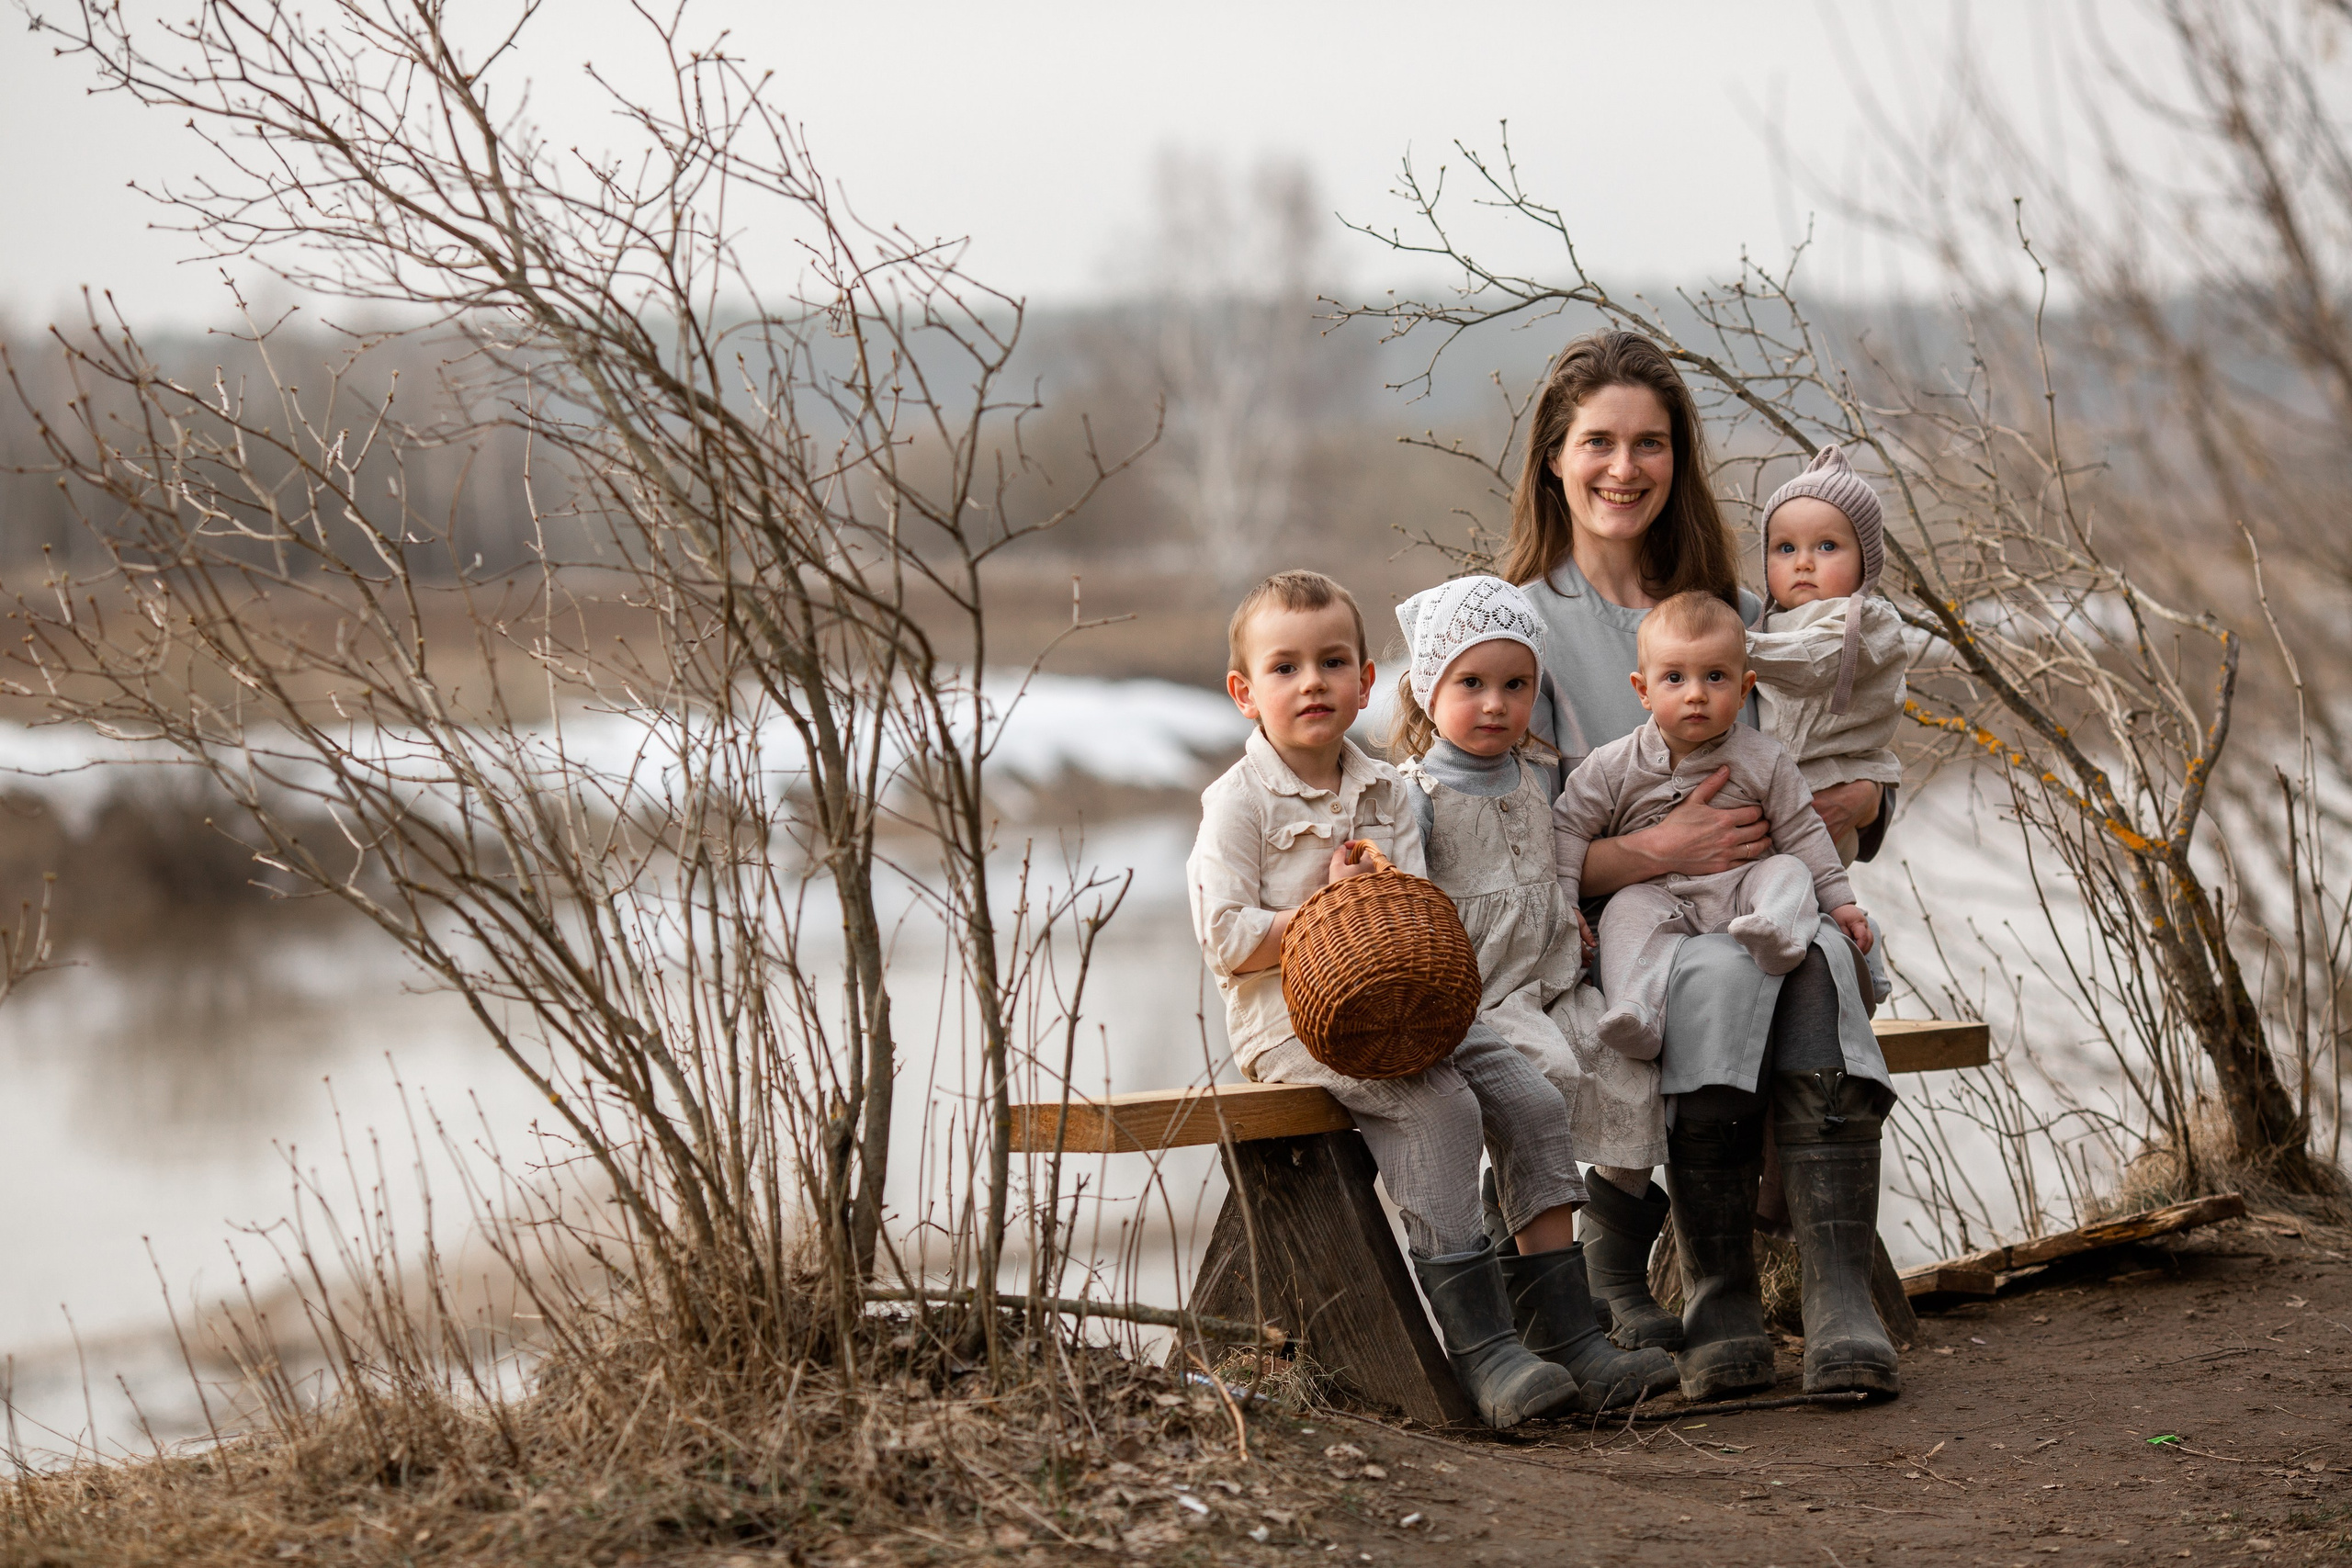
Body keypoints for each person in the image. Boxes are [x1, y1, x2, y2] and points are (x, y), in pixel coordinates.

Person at [1502, 330, 1901, 1401]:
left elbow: (1833, 758)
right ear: (1553, 456)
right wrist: (1651, 850)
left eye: (1649, 444)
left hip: (1758, 906)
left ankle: (1831, 1303)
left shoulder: (1740, 611)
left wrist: (1860, 801)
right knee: (1748, 968)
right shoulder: (1520, 626)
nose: (1622, 468)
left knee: (1810, 953)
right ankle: (1722, 1285)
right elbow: (1509, 842)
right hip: (1610, 938)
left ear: (1678, 460)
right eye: (1596, 442)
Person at [1188, 570, 1620, 1425]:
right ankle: (1482, 1350)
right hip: (1297, 1026)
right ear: (1245, 692)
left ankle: (1564, 1331)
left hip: (1409, 1004)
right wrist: (1324, 909)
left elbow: (1419, 911)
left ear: (1365, 683)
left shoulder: (1389, 788)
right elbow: (1226, 937)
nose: (1311, 681)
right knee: (1440, 1110)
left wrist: (1386, 895)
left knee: (1530, 1099)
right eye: (1285, 667)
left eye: (1332, 661)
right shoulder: (1237, 804)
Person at [1385, 571, 1679, 1408]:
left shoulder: (1536, 775)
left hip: (1550, 978)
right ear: (1428, 689)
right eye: (1470, 684)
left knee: (1631, 1066)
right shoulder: (1419, 795)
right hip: (1474, 999)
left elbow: (1549, 864)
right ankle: (1552, 1318)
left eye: (1516, 686)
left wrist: (1570, 921)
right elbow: (1404, 899)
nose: (1494, 704)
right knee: (1540, 1079)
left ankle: (1601, 1278)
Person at [1553, 590, 1872, 1065]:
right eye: (1675, 678)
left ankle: (1777, 934)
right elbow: (1567, 826)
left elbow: (1804, 831)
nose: (1696, 693)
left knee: (1787, 869)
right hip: (1659, 897)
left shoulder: (1764, 759)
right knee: (1624, 912)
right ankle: (1637, 1010)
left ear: (1745, 689)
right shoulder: (1612, 765)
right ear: (1643, 690)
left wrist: (1840, 901)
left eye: (1715, 677)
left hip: (1745, 890)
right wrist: (1563, 897)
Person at [1747, 445, 1908, 864]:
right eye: (1785, 549)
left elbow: (1814, 661)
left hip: (1828, 788)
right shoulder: (1765, 621)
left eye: (1827, 547)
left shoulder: (1867, 621)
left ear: (1865, 562)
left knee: (1799, 889)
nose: (1803, 563)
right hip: (1773, 793)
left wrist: (1727, 650)